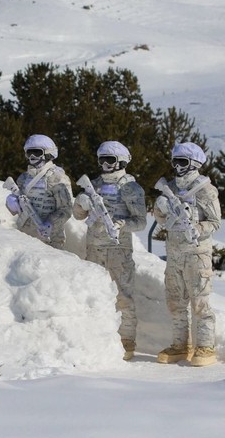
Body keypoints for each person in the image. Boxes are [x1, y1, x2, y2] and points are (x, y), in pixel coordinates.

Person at [73, 141, 147, 361]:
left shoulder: (130, 188)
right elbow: (78, 216)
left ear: (122, 162)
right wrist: (81, 203)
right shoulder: (93, 185)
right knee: (95, 294)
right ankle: (97, 338)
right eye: (101, 159)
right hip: (94, 248)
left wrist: (122, 224)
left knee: (123, 296)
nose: (105, 164)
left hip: (118, 250)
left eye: (110, 160)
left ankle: (126, 341)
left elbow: (141, 221)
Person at [152, 142, 222, 367]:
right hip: (174, 254)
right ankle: (180, 345)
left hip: (197, 254)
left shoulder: (205, 190)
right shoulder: (169, 187)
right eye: (175, 161)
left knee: (199, 301)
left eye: (182, 162)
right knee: (175, 301)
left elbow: (215, 222)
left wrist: (197, 227)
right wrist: (161, 210)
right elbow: (161, 220)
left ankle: (205, 346)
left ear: (194, 163)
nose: (177, 166)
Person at [5, 134, 73, 249]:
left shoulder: (57, 178)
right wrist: (11, 202)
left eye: (36, 152)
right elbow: (17, 200)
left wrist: (50, 223)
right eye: (29, 152)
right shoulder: (24, 178)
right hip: (24, 235)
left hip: (49, 238)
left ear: (47, 154)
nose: (32, 156)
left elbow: (66, 209)